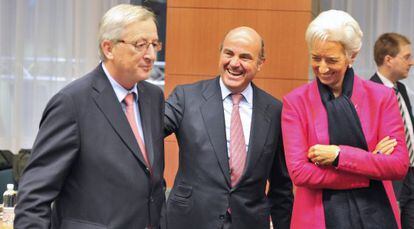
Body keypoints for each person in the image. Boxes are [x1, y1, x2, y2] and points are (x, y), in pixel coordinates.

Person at [14, 4, 165, 229]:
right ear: (108, 48)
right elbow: (35, 195)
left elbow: (149, 178)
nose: (151, 55)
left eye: (154, 44)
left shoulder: (153, 97)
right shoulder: (72, 103)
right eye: (140, 45)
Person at [282, 10, 409, 229]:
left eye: (331, 60)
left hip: (376, 215)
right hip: (316, 218)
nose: (322, 68)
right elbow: (300, 172)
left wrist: (339, 155)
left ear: (352, 55)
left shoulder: (381, 97)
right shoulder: (296, 102)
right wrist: (369, 166)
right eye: (315, 58)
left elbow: (398, 165)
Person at [164, 27, 293, 229]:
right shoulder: (186, 98)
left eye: (245, 57)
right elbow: (147, 134)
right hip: (190, 220)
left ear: (260, 63)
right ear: (220, 53)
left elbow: (281, 186)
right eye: (229, 53)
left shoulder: (275, 111)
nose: (234, 63)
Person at [370, 32, 414, 229]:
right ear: (388, 59)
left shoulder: (401, 89)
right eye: (406, 57)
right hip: (390, 176)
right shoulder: (369, 90)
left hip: (411, 173)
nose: (411, 62)